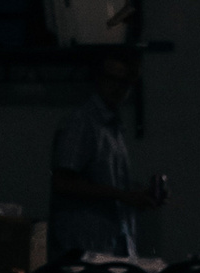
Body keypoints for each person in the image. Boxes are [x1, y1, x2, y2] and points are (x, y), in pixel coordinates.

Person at [49, 51, 163, 261]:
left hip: (104, 249)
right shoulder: (82, 122)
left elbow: (104, 183)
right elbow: (63, 182)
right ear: (98, 78)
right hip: (84, 251)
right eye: (112, 78)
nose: (118, 87)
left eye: (125, 82)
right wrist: (123, 195)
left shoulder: (112, 127)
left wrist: (137, 195)